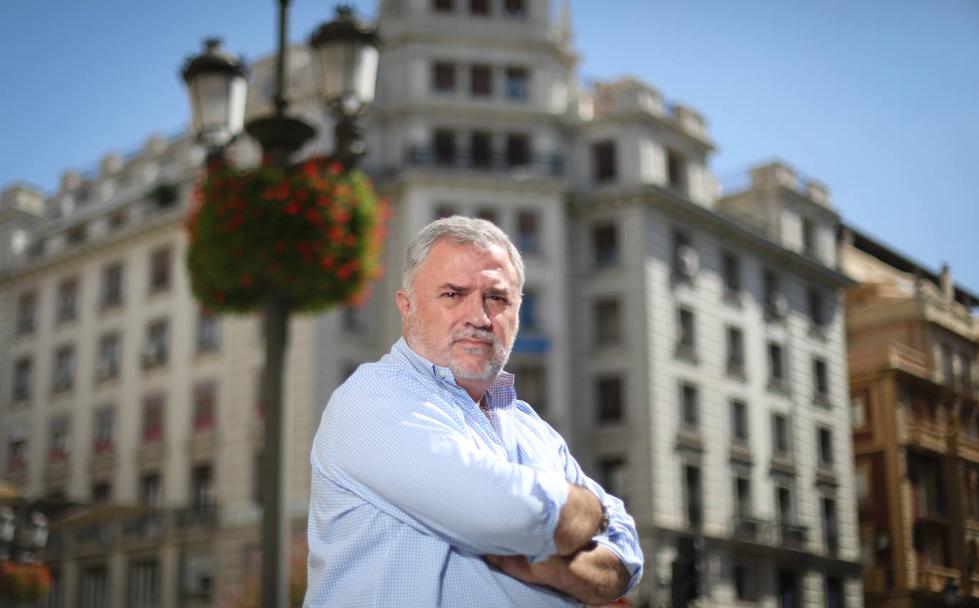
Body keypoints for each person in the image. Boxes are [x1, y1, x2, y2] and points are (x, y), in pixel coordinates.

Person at [305, 216, 643, 606]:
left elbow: (628, 557)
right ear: (407, 306)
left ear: (517, 312)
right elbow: (507, 516)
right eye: (452, 294)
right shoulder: (371, 399)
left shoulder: (535, 430)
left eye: (497, 298)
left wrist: (558, 568)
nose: (479, 318)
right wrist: (590, 506)